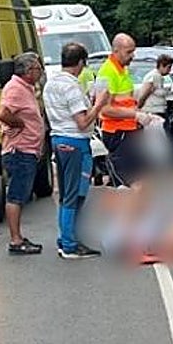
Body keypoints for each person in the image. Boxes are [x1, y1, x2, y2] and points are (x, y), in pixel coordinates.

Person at [43, 42, 105, 259]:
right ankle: (69, 244)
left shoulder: (51, 84)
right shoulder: (71, 86)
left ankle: (67, 238)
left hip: (58, 138)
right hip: (75, 142)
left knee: (67, 194)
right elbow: (82, 121)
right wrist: (98, 105)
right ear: (81, 63)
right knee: (74, 194)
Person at [0, 52, 46, 255]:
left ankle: (18, 237)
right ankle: (15, 240)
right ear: (28, 70)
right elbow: (2, 113)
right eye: (38, 68)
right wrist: (19, 124)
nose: (40, 72)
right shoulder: (15, 88)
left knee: (21, 194)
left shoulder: (25, 88)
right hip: (19, 150)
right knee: (16, 195)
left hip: (27, 149)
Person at [96, 33, 145, 185]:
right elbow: (104, 109)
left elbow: (125, 100)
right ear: (116, 51)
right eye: (128, 52)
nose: (133, 56)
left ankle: (130, 207)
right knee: (123, 180)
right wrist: (136, 114)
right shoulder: (107, 72)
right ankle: (120, 208)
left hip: (128, 131)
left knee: (134, 178)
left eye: (133, 51)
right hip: (117, 132)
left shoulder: (122, 69)